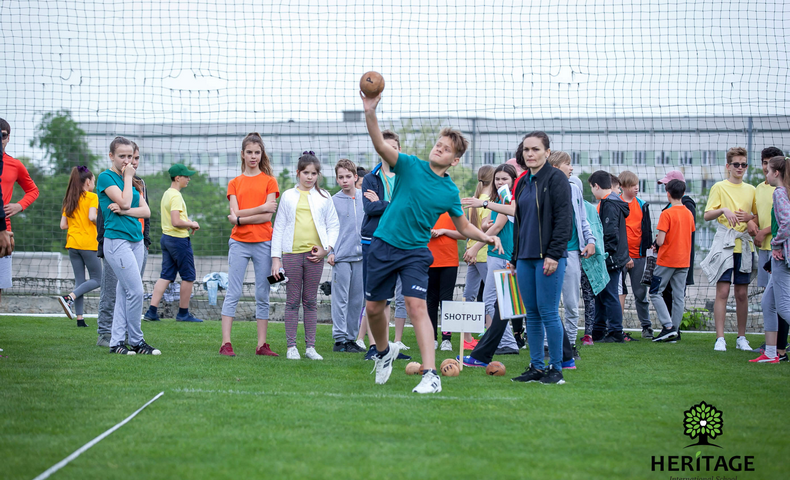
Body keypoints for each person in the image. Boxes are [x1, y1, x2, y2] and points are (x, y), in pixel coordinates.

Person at [359, 90, 501, 394]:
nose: (439, 148)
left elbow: (463, 226)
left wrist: (486, 236)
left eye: (446, 148)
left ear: (454, 159)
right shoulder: (410, 165)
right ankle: (383, 353)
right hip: (384, 244)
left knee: (417, 307)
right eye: (439, 144)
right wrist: (370, 111)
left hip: (414, 252)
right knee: (373, 308)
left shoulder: (449, 191)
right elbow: (380, 144)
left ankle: (431, 374)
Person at [508, 131, 572, 385]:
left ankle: (556, 368)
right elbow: (519, 223)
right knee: (531, 314)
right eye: (526, 149)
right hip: (525, 258)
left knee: (548, 312)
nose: (530, 154)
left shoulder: (556, 179)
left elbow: (564, 220)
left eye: (535, 149)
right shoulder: (522, 181)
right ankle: (536, 367)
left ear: (547, 152)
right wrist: (514, 257)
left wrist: (554, 254)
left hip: (549, 258)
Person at [272, 152, 339, 361]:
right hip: (290, 255)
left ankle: (310, 347)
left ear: (318, 175)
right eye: (306, 173)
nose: (309, 177)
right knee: (292, 301)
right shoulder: (287, 196)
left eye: (313, 173)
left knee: (310, 301)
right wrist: (276, 258)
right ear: (298, 173)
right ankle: (291, 347)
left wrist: (326, 249)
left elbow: (333, 225)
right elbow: (279, 227)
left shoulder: (325, 196)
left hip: (314, 257)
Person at [219, 133, 280, 357]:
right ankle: (226, 343)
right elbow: (237, 212)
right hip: (239, 243)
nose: (253, 156)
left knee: (263, 293)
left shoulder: (270, 181)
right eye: (249, 152)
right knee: (233, 292)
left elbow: (266, 217)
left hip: (264, 243)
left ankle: (262, 345)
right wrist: (260, 207)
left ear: (261, 154)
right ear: (242, 154)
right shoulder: (234, 183)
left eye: (257, 152)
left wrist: (240, 218)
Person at [96, 137, 157, 355]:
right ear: (111, 156)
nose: (127, 161)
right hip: (116, 241)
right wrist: (129, 179)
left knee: (124, 292)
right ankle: (137, 340)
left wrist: (124, 211)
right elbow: (123, 200)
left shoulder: (133, 182)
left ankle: (116, 343)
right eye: (122, 156)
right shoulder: (106, 177)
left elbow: (146, 211)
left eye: (130, 156)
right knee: (136, 291)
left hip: (136, 241)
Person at [358, 129, 410, 354]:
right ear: (380, 150)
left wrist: (383, 202)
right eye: (385, 147)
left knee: (388, 298)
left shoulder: (406, 176)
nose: (390, 151)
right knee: (374, 297)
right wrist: (392, 204)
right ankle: (373, 346)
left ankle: (385, 347)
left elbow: (410, 207)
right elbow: (370, 208)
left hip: (399, 240)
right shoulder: (371, 178)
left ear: (399, 150)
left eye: (394, 148)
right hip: (373, 241)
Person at [701, 147, 757, 352]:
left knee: (742, 293)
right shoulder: (719, 187)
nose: (740, 168)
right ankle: (720, 338)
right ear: (728, 166)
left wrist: (749, 218)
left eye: (743, 164)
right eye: (736, 164)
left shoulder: (751, 189)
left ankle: (742, 338)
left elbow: (756, 217)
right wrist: (723, 210)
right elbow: (707, 214)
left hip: (744, 245)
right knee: (722, 291)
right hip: (725, 244)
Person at [143, 164, 203, 323]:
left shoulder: (167, 194)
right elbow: (176, 221)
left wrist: (188, 223)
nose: (189, 179)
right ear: (177, 178)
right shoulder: (176, 196)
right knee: (188, 276)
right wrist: (191, 224)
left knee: (166, 275)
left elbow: (174, 219)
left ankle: (151, 311)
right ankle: (183, 313)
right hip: (178, 240)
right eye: (186, 176)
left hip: (166, 238)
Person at [548, 152, 596, 348]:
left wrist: (590, 240)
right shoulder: (543, 189)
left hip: (572, 253)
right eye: (567, 164)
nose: (571, 168)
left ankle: (569, 346)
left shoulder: (574, 190)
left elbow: (583, 219)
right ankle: (547, 344)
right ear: (556, 167)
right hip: (549, 255)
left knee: (571, 304)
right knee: (548, 304)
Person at [750, 156, 790, 363]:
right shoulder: (784, 192)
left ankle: (774, 352)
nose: (766, 174)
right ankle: (772, 353)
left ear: (776, 173)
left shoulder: (780, 192)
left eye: (768, 171)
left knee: (783, 307)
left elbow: (787, 223)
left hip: (782, 256)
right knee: (768, 302)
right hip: (779, 256)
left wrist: (776, 244)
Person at [588, 170, 635, 343]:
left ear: (596, 186)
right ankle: (599, 329)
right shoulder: (613, 202)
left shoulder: (609, 204)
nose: (592, 191)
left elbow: (610, 233)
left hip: (611, 257)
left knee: (609, 294)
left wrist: (604, 254)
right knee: (601, 293)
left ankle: (615, 331)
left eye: (591, 187)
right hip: (615, 256)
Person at [649, 179, 696, 343]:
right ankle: (674, 330)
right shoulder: (688, 213)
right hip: (684, 261)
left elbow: (661, 241)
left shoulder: (667, 214)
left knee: (655, 292)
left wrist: (657, 240)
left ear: (667, 194)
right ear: (683, 193)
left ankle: (668, 326)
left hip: (667, 260)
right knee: (678, 296)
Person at [329, 159, 366, 353]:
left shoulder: (365, 198)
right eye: (341, 177)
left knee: (357, 300)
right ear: (337, 179)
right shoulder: (333, 201)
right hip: (341, 257)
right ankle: (339, 339)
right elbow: (327, 228)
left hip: (362, 257)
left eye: (348, 176)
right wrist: (330, 251)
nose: (345, 180)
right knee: (340, 299)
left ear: (355, 177)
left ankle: (351, 338)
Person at [57, 166, 102, 327]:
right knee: (99, 279)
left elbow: (63, 225)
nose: (94, 185)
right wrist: (102, 223)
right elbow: (92, 217)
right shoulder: (92, 197)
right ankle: (68, 297)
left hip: (72, 244)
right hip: (87, 244)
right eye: (94, 181)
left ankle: (80, 318)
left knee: (80, 281)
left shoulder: (70, 199)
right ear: (88, 181)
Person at [0, 118, 39, 301]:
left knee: (0, 284)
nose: (0, 139)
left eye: (3, 135)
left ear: (8, 137)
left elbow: (33, 190)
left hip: (4, 230)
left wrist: (19, 205)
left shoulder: (14, 164)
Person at [618, 170, 654, 338]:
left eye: (637, 185)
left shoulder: (642, 205)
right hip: (621, 258)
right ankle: (616, 327)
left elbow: (647, 229)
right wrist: (624, 256)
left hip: (639, 257)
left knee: (641, 294)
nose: (636, 188)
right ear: (623, 187)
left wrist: (649, 249)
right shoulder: (616, 204)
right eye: (632, 185)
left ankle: (646, 326)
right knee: (618, 293)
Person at [461, 165, 493, 349]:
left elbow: (471, 228)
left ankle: (467, 338)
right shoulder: (487, 202)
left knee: (469, 295)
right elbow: (487, 229)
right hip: (483, 252)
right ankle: (490, 336)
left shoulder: (476, 200)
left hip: (472, 250)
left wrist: (469, 248)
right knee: (490, 295)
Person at [428, 212, 465, 351]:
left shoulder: (454, 210)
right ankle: (431, 338)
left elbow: (463, 234)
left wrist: (443, 231)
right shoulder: (425, 208)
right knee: (431, 300)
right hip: (429, 260)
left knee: (446, 300)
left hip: (449, 261)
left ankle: (446, 339)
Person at [754, 147, 784, 289]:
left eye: (770, 163)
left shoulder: (783, 189)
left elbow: (784, 220)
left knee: (779, 291)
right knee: (766, 290)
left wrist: (763, 232)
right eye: (764, 163)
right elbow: (759, 214)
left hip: (779, 247)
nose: (766, 167)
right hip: (763, 247)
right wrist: (751, 222)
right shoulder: (759, 188)